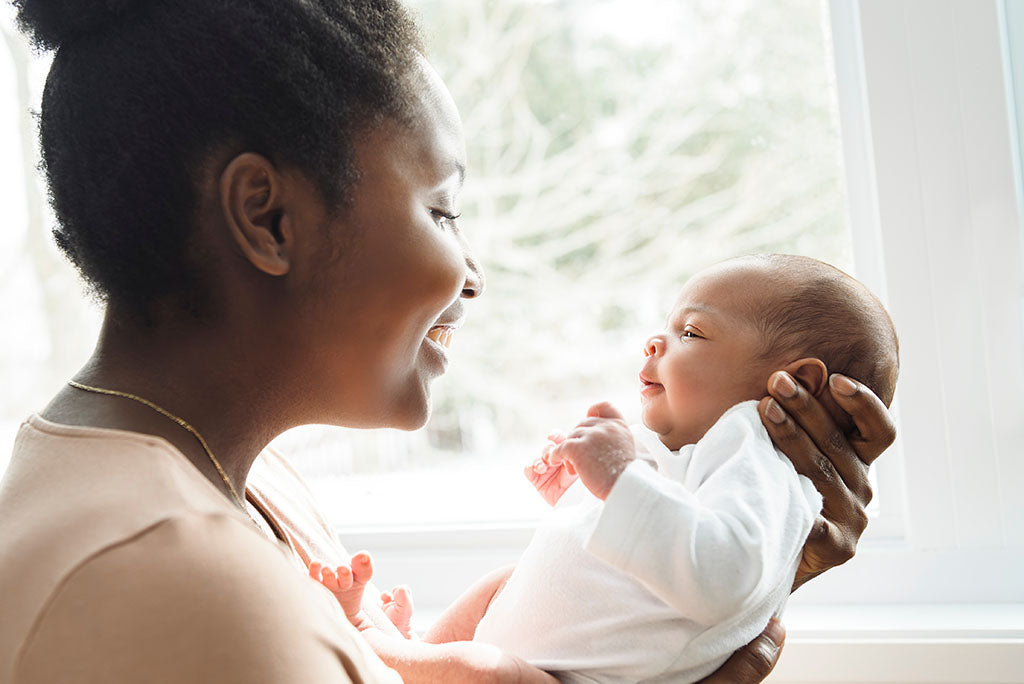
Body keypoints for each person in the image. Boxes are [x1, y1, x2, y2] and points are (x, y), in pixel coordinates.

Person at [0, 0, 895, 682]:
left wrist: (706, 596)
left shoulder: (241, 484)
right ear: (268, 218)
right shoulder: (179, 579)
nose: (472, 275)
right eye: (441, 209)